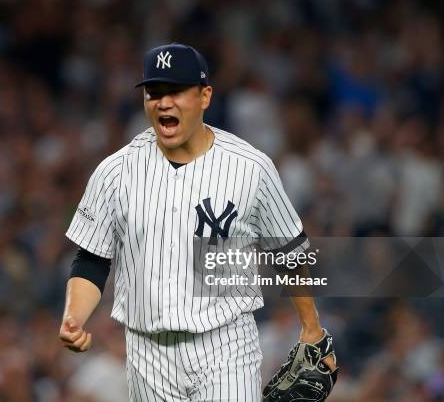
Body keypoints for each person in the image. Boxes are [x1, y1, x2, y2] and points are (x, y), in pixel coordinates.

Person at [59, 43, 336, 401]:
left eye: (176, 91)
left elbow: (290, 252)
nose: (163, 102)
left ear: (205, 96)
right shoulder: (115, 171)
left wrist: (311, 328)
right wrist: (74, 318)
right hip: (147, 353)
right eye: (153, 93)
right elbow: (92, 259)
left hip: (225, 345)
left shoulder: (250, 168)